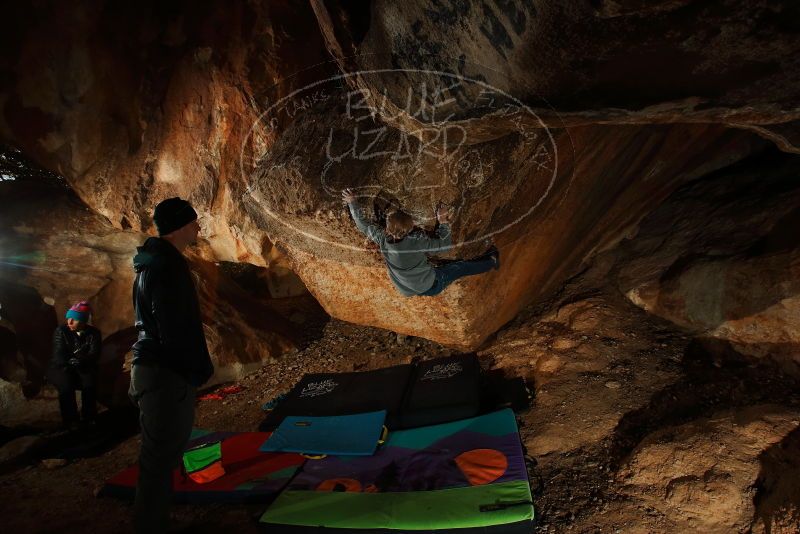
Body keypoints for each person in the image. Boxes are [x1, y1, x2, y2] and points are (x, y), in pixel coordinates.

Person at [129, 197, 214, 533]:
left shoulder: (151, 263)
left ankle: (155, 521)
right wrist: (192, 370)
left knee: (161, 455)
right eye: (193, 222)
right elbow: (172, 327)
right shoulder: (166, 267)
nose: (198, 227)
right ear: (180, 227)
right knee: (159, 457)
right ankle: (150, 526)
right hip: (165, 373)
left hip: (155, 369)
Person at [342, 189, 499, 297]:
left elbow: (362, 224)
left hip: (407, 288)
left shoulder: (382, 239)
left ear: (388, 229)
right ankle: (492, 261)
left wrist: (352, 202)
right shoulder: (416, 242)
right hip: (431, 285)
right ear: (411, 229)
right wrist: (443, 221)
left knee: (451, 268)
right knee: (461, 267)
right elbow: (444, 245)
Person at [48, 300, 101, 429]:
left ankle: (89, 417)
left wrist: (81, 361)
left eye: (73, 319)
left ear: (83, 321)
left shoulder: (94, 333)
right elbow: (58, 353)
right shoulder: (61, 331)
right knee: (66, 384)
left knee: (89, 382)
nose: (69, 322)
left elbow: (94, 354)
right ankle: (71, 420)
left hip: (82, 365)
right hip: (62, 366)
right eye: (68, 318)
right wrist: (69, 362)